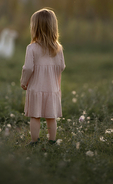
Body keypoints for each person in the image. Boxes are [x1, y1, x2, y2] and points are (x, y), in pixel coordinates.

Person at [20, 8, 65, 146]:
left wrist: (24, 81)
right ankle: (52, 140)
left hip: (35, 88)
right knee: (51, 117)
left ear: (35, 28)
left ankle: (34, 141)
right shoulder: (58, 48)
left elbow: (28, 68)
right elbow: (61, 66)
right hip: (52, 88)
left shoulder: (31, 48)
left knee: (35, 116)